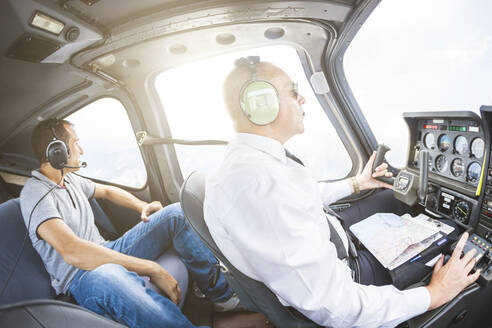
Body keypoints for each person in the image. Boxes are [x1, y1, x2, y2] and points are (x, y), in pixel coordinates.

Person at [204, 57, 480, 327]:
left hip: (330, 240)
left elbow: (300, 198)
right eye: (293, 91)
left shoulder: (252, 163)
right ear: (261, 104)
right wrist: (433, 294)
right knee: (453, 230)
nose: (302, 99)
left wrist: (357, 184)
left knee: (390, 198)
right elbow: (336, 306)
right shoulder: (260, 186)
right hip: (347, 277)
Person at [20, 118, 238, 328]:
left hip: (107, 249)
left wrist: (141, 205)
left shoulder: (68, 179)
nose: (82, 150)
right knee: (108, 276)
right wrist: (152, 269)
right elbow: (72, 252)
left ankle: (224, 298)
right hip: (81, 275)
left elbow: (106, 191)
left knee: (177, 214)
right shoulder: (35, 193)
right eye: (76, 143)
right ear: (57, 151)